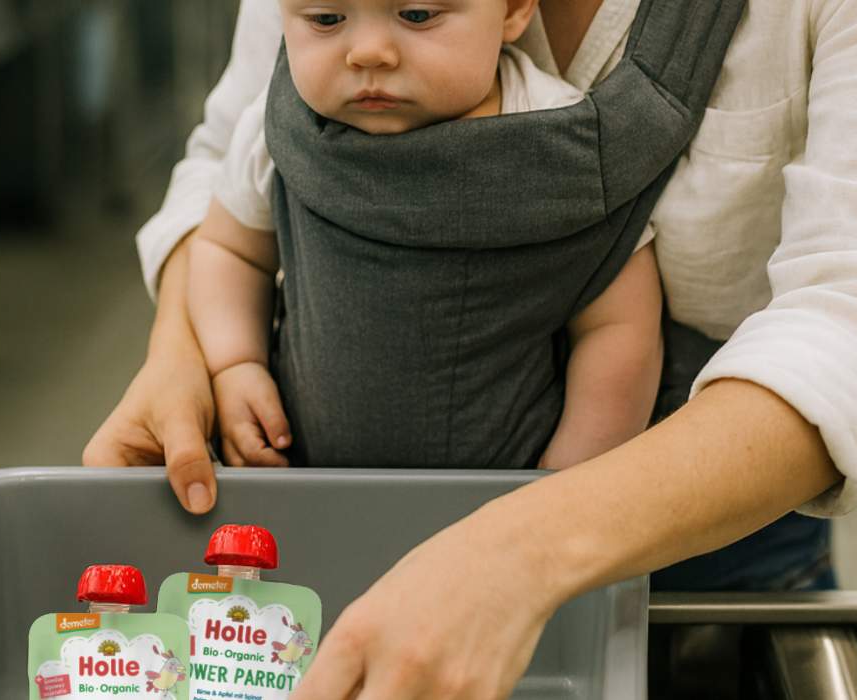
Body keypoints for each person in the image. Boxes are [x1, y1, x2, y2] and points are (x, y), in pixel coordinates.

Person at [85, 0, 857, 696]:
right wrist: (190, 352)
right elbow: (240, 148)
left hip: (709, 555)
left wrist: (527, 543)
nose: (368, 46)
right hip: (320, 501)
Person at [188, 0, 663, 471]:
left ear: (514, 9)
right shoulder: (280, 129)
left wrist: (573, 476)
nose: (369, 53)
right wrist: (235, 363)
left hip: (507, 500)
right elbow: (230, 249)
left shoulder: (562, 141)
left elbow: (618, 324)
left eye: (417, 15)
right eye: (326, 20)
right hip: (306, 483)